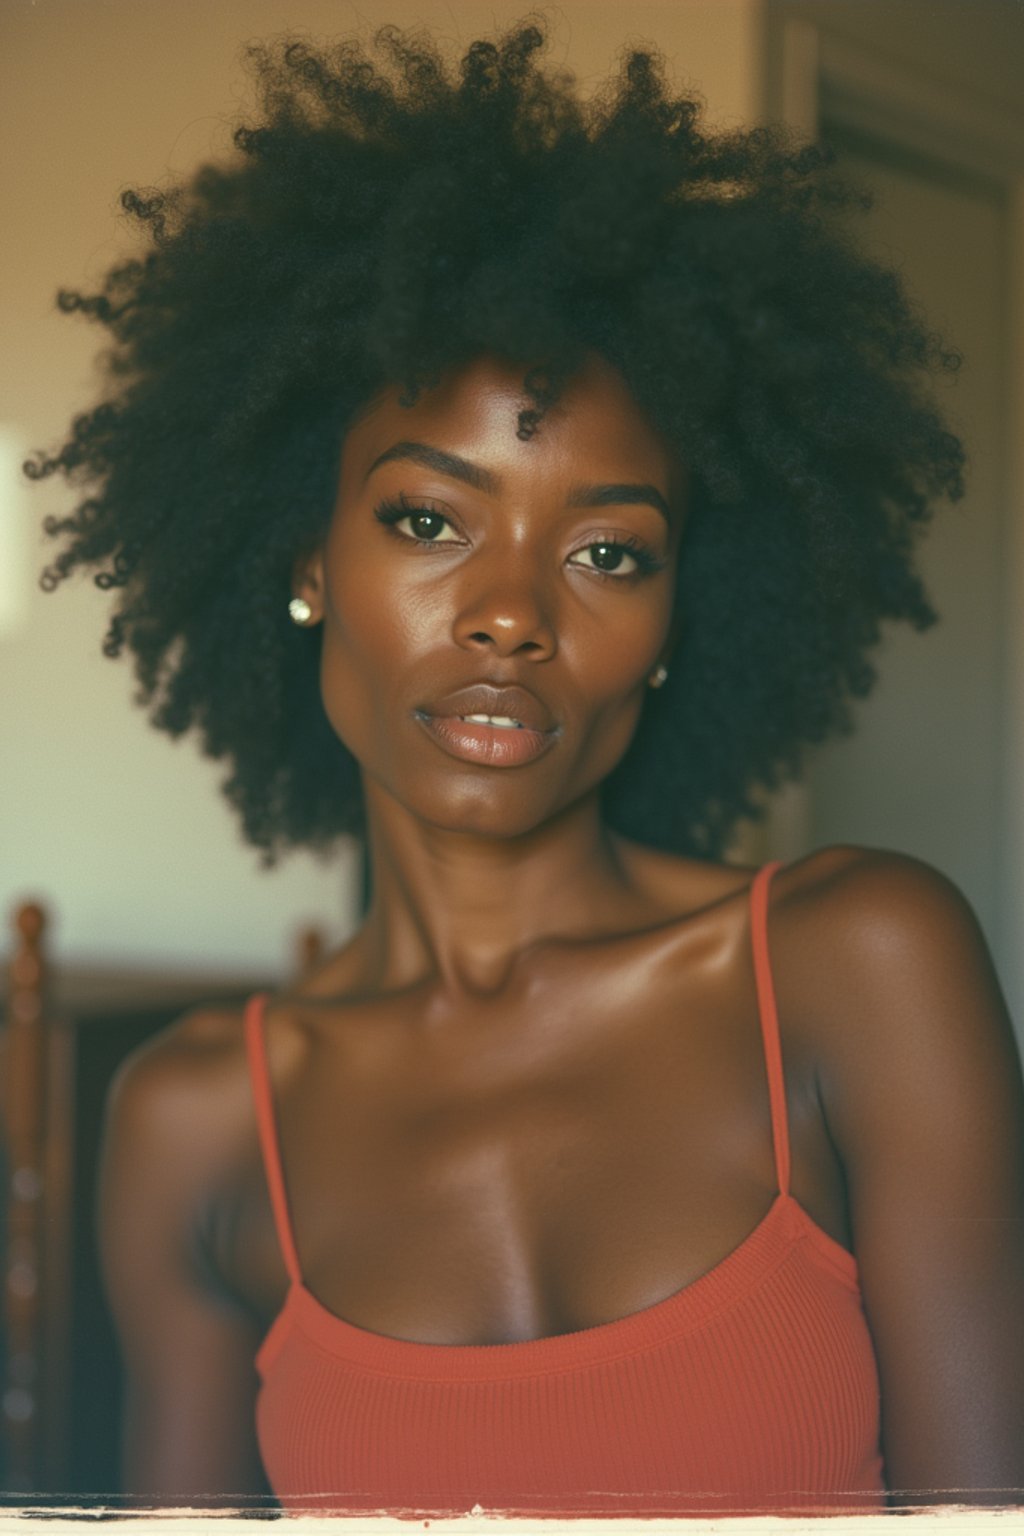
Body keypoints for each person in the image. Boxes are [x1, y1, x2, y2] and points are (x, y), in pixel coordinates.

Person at [32, 17, 1024, 1516]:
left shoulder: (857, 966)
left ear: (684, 617)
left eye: (610, 551)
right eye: (431, 520)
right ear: (306, 558)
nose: (511, 613)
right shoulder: (194, 1121)